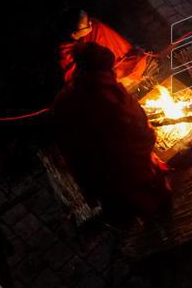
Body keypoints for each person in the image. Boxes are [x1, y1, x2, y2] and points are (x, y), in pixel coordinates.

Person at [50, 43, 171, 220]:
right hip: (131, 175)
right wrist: (150, 143)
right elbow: (143, 135)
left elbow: (67, 148)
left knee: (129, 216)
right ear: (105, 68)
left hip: (99, 180)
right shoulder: (112, 96)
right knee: (156, 209)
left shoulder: (62, 101)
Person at [56, 6, 150, 85]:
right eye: (87, 25)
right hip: (99, 79)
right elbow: (77, 79)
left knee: (137, 63)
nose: (90, 23)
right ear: (74, 34)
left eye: (88, 19)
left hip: (118, 65)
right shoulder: (67, 52)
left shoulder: (95, 27)